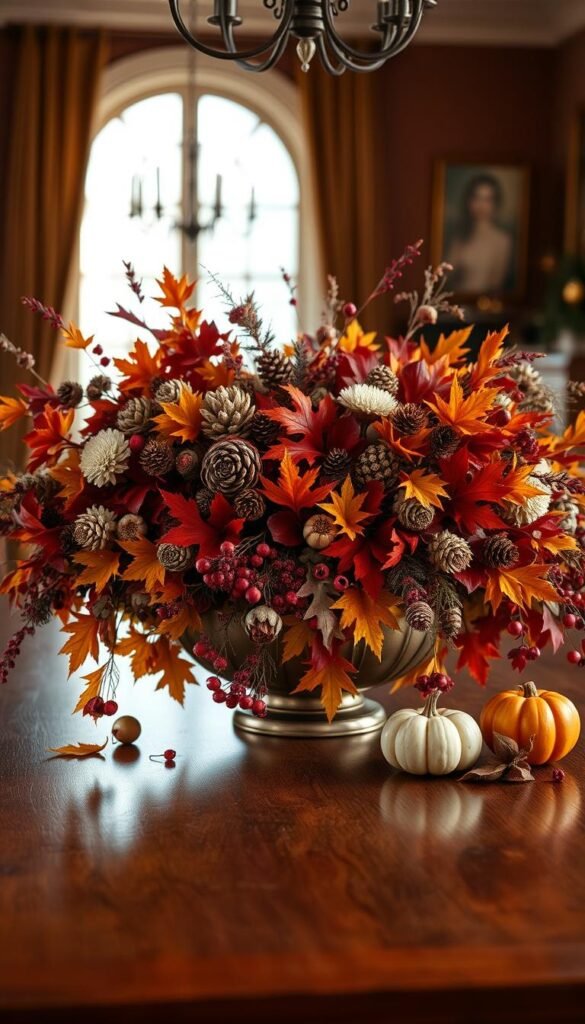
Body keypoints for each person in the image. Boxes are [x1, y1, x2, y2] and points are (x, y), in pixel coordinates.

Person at [448, 173, 513, 293]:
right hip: (456, 302)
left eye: (487, 199)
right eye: (477, 198)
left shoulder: (502, 240)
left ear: (495, 204)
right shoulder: (460, 236)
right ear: (469, 202)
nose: (481, 205)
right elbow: (447, 276)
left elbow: (496, 283)